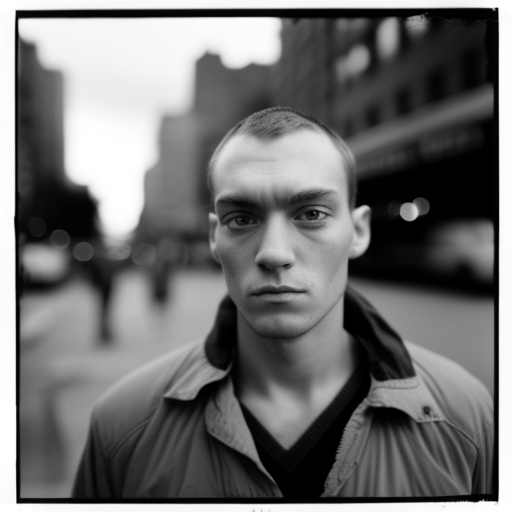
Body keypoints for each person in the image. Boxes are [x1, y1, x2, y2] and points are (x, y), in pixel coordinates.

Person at [72, 107, 494, 499]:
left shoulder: (465, 416)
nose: (274, 254)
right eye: (242, 219)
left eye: (311, 214)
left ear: (358, 231)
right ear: (214, 238)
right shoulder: (122, 428)